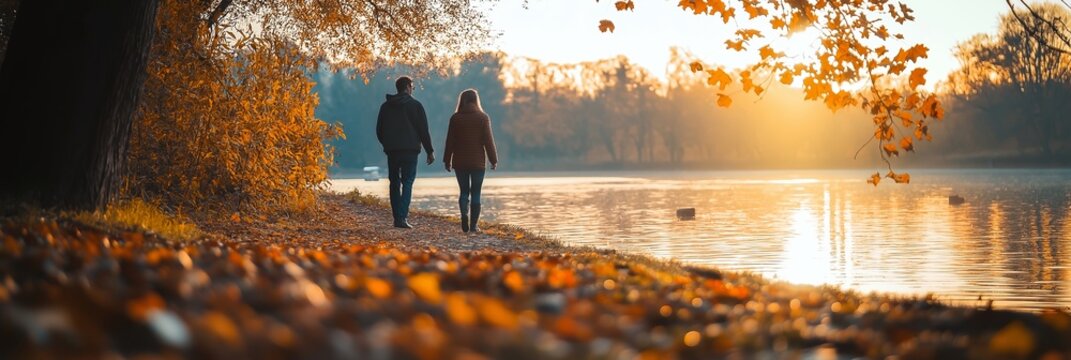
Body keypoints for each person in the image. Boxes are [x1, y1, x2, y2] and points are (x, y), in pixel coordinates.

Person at [376, 76, 434, 229]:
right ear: (408, 87)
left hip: (392, 151)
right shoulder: (416, 106)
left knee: (394, 183)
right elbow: (423, 131)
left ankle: (397, 218)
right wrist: (430, 151)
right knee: (407, 182)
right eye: (412, 87)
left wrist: (388, 144)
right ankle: (402, 218)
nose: (412, 89)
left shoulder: (386, 106)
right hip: (410, 150)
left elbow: (379, 130)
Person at [443, 89, 498, 233]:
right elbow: (488, 141)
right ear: (476, 100)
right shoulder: (483, 117)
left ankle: (463, 214)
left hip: (460, 162)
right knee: (476, 193)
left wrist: (446, 160)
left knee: (464, 192)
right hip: (477, 162)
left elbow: (450, 141)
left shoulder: (455, 118)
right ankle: (473, 226)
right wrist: (493, 159)